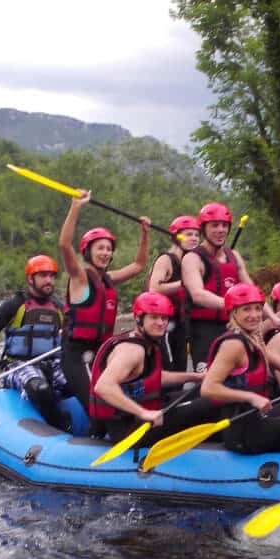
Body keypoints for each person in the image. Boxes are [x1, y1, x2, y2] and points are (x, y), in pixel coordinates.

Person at [57, 190, 149, 420]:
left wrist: (144, 233)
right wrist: (76, 207)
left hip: (101, 352)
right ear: (88, 251)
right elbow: (64, 245)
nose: (105, 253)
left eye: (108, 249)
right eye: (100, 248)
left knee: (118, 401)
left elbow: (138, 265)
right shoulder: (79, 276)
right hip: (76, 355)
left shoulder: (109, 278)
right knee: (99, 408)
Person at [200, 283, 280, 455]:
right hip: (243, 433)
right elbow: (208, 388)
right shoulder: (234, 344)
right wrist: (251, 397)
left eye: (258, 309)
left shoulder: (252, 340)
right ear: (233, 312)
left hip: (257, 418)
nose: (255, 315)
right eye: (246, 309)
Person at [88, 292, 212, 444]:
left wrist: (196, 377)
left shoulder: (145, 343)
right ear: (139, 318)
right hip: (129, 428)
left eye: (164, 318)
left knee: (204, 393)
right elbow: (103, 386)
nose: (161, 323)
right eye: (154, 317)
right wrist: (144, 413)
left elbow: (156, 378)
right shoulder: (131, 350)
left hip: (141, 414)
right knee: (210, 404)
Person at [181, 201, 280, 371]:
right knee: (211, 376)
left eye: (224, 226)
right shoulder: (192, 258)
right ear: (203, 229)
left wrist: (272, 317)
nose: (220, 230)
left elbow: (254, 293)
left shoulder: (234, 256)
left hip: (234, 325)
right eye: (214, 225)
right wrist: (235, 305)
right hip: (203, 329)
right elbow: (198, 294)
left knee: (246, 372)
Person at [0, 255, 70, 428]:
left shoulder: (58, 307)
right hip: (18, 365)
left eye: (51, 276)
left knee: (77, 384)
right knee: (39, 388)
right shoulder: (16, 305)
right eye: (43, 275)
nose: (49, 280)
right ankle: (62, 428)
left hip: (52, 363)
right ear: (30, 279)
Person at [146, 215, 200, 371]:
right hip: (164, 324)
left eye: (197, 234)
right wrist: (184, 283)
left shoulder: (191, 262)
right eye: (189, 234)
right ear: (177, 237)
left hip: (182, 324)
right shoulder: (166, 259)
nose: (194, 238)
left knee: (182, 367)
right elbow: (154, 288)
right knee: (170, 369)